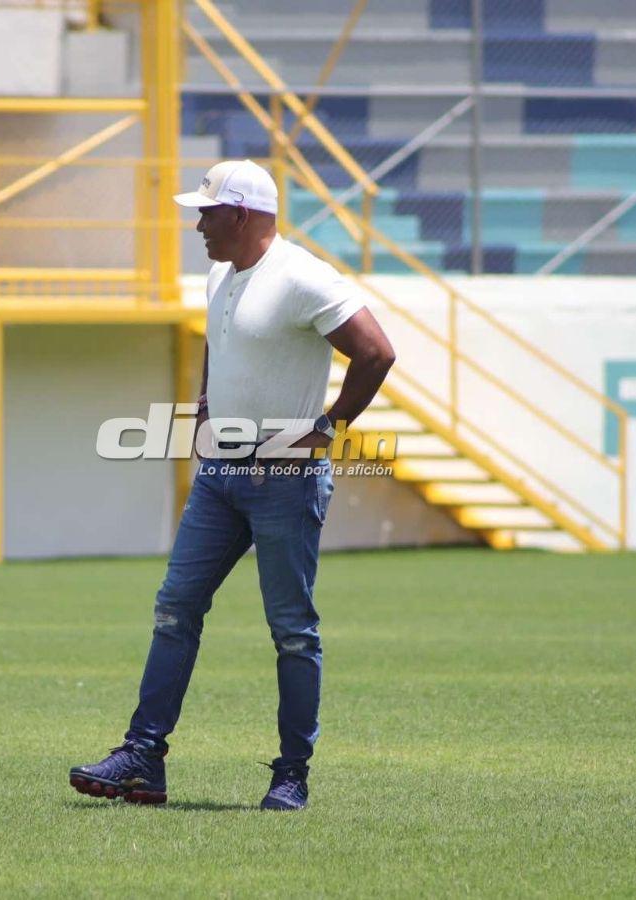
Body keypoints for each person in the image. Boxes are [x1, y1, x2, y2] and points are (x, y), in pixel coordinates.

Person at [70, 159, 396, 810]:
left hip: (285, 476)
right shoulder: (221, 270)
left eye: (207, 213)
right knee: (175, 608)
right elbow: (222, 342)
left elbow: (376, 351)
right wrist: (202, 408)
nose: (198, 226)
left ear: (242, 216)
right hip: (221, 475)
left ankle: (291, 775)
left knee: (292, 631)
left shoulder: (302, 277)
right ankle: (144, 759)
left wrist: (327, 431)